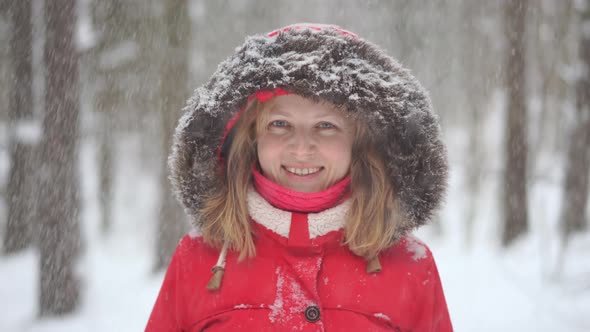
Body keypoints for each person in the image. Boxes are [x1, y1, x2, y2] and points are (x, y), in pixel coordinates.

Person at [146, 23, 452, 331]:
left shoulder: (411, 266)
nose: (302, 147)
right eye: (280, 124)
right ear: (251, 137)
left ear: (359, 143)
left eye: (326, 126)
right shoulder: (198, 259)